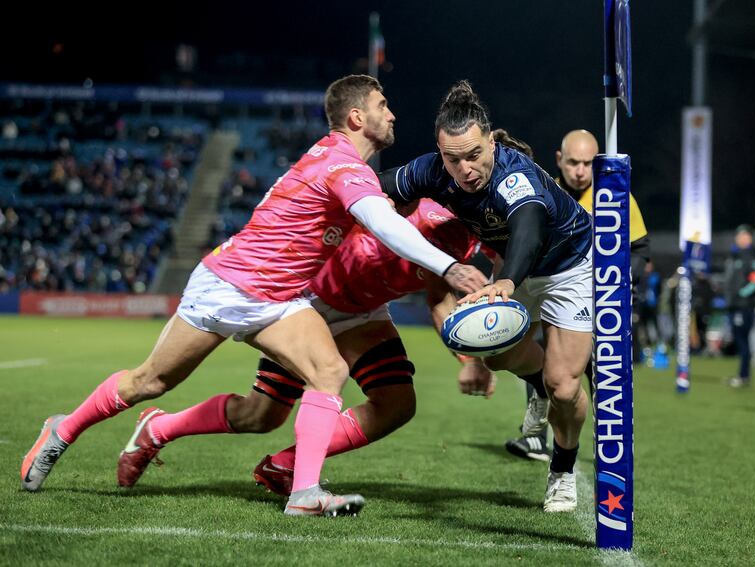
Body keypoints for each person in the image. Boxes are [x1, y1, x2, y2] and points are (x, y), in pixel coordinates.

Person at [19, 75, 487, 517]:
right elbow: (383, 225)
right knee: (149, 382)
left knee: (329, 370)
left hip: (280, 300)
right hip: (228, 286)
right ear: (357, 118)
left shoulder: (342, 163)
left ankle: (303, 493)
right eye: (383, 106)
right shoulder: (342, 164)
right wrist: (448, 265)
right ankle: (61, 430)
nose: (394, 115)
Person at [113, 198, 497, 491]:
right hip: (308, 302)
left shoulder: (465, 237)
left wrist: (470, 358)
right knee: (261, 416)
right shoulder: (414, 199)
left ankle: (287, 465)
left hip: (363, 314)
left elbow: (439, 297)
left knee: (397, 404)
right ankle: (160, 428)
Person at [378, 81, 593, 512]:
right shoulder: (433, 170)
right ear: (440, 153)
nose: (465, 169)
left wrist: (508, 281)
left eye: (474, 155)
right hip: (510, 269)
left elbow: (529, 232)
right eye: (453, 159)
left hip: (567, 267)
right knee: (495, 355)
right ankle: (536, 385)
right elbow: (373, 186)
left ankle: (562, 470)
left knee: (565, 385)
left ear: (491, 142)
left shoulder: (517, 178)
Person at [505, 129, 650, 461]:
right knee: (546, 367)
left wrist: (622, 285)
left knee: (602, 377)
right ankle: (537, 438)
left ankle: (610, 446)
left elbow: (641, 248)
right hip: (558, 299)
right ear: (559, 159)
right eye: (573, 162)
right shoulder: (545, 192)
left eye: (588, 163)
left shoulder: (615, 196)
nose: (580, 170)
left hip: (604, 304)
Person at [723, 224, 755, 387]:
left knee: (743, 341)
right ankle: (742, 375)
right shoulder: (735, 256)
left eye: (745, 236)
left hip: (744, 306)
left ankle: (744, 376)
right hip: (735, 306)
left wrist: (741, 295)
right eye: (740, 236)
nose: (742, 239)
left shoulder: (751, 256)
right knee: (740, 340)